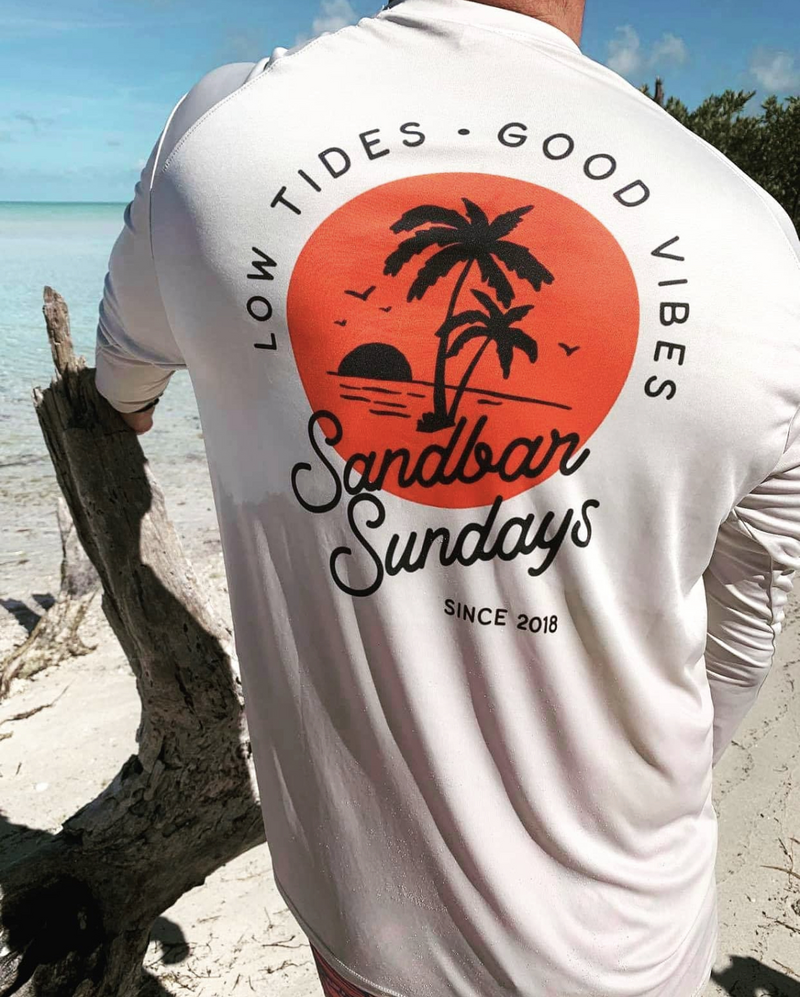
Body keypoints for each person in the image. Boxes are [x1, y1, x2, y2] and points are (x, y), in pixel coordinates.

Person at [94, 1, 800, 995]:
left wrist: (131, 413)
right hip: (620, 926)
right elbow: (745, 617)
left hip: (358, 902)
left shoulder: (218, 134)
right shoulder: (753, 238)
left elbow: (122, 368)